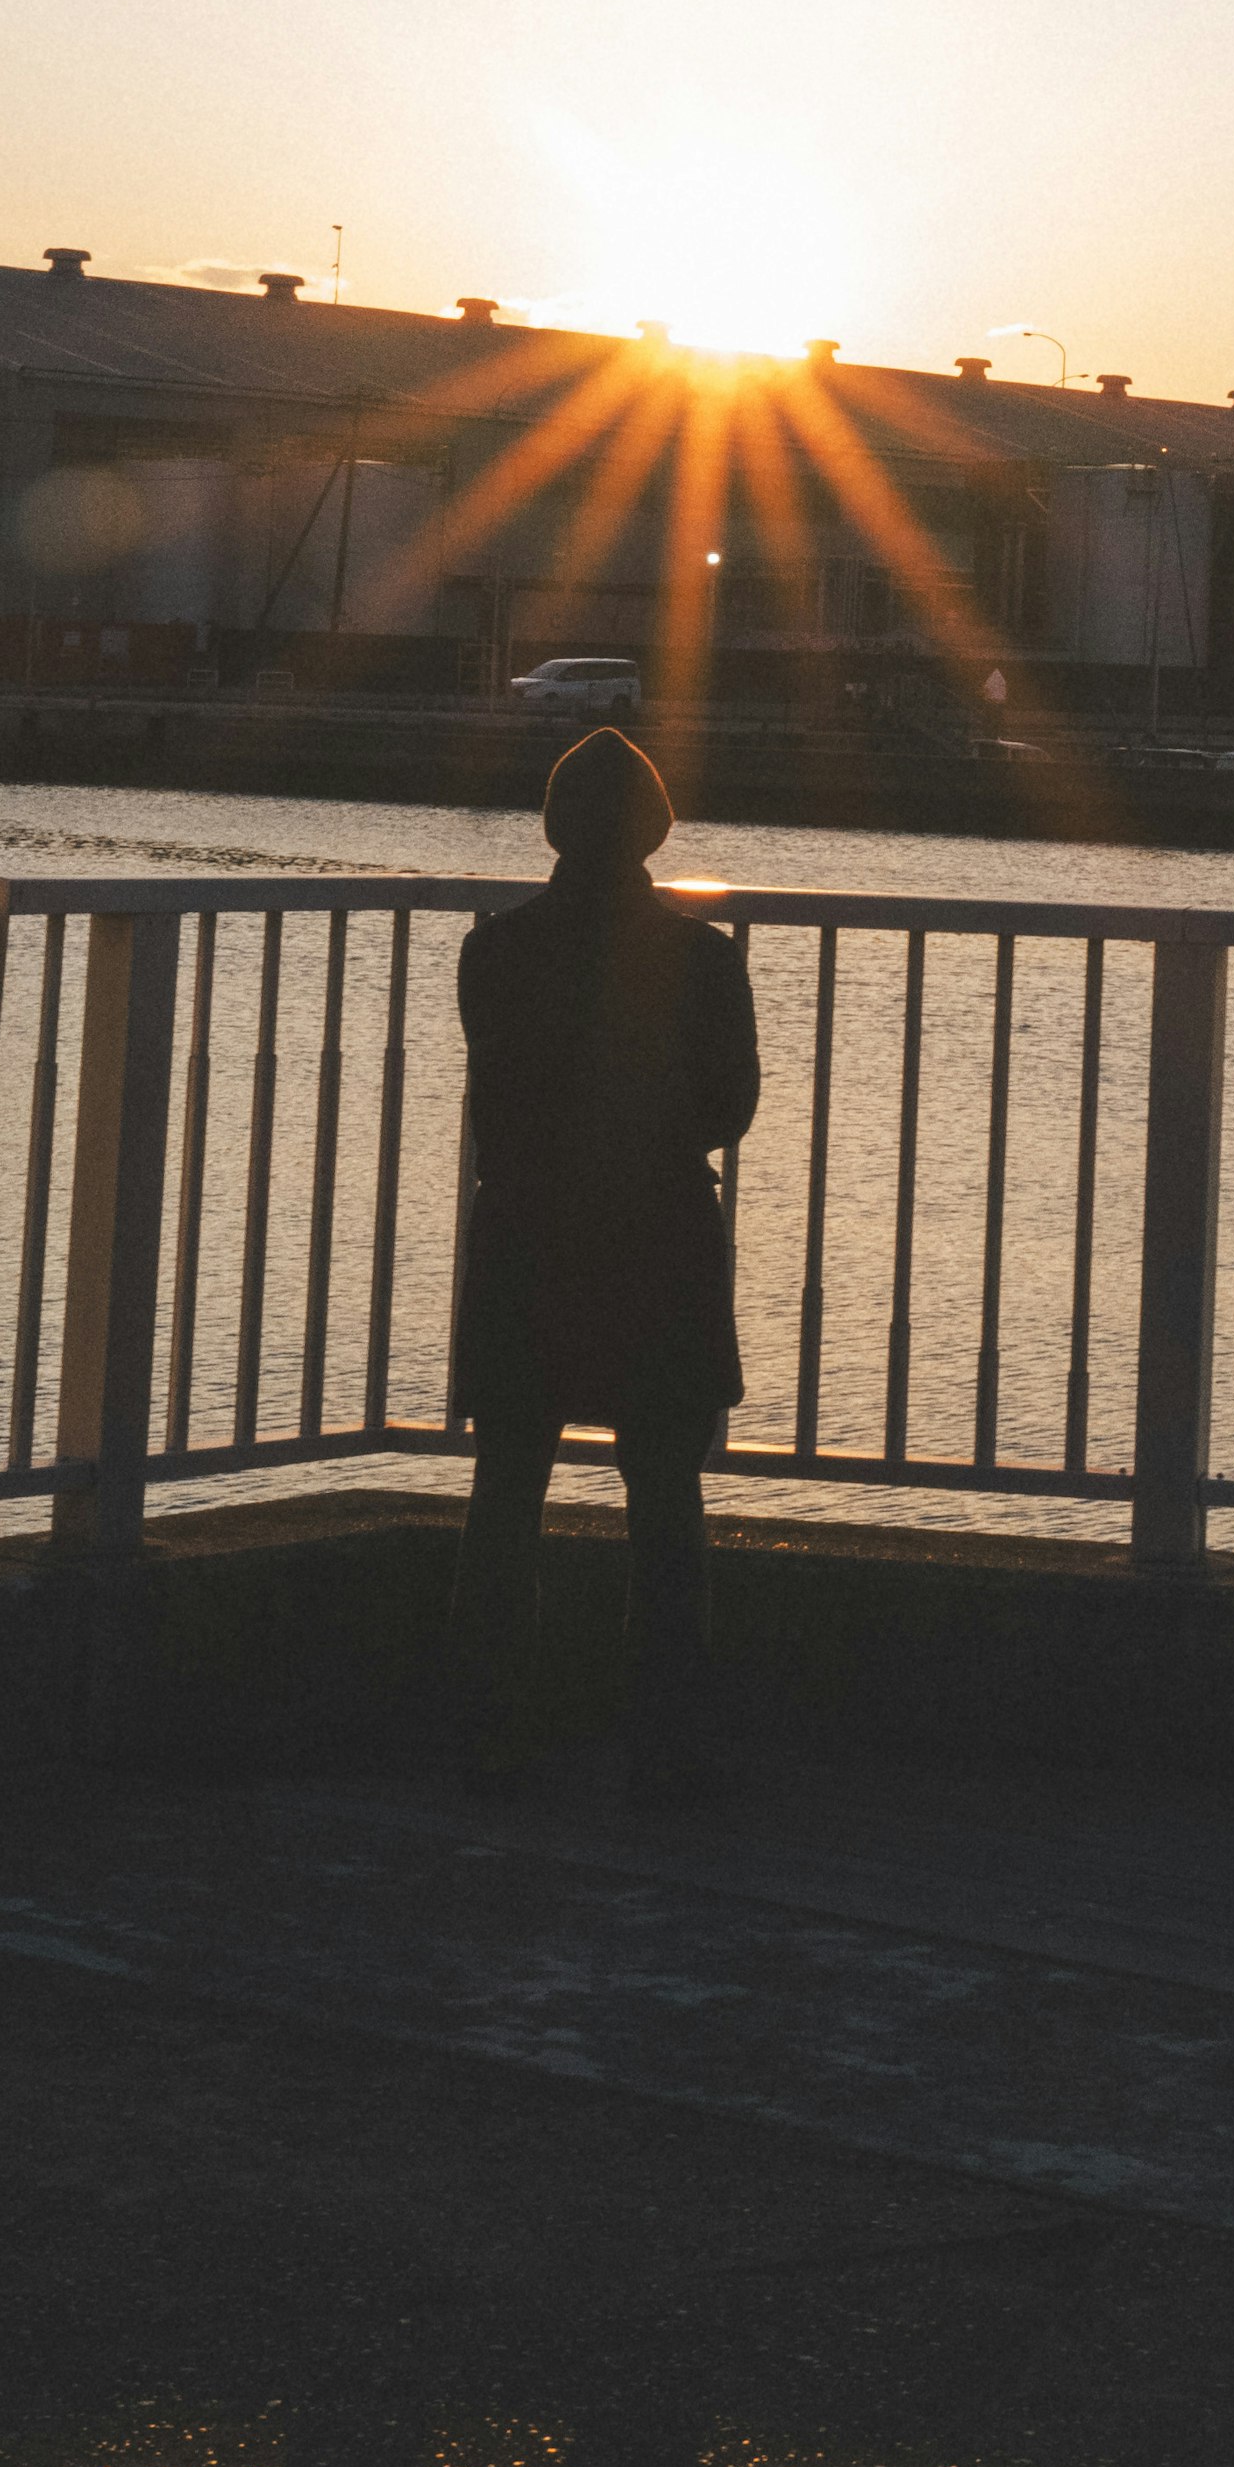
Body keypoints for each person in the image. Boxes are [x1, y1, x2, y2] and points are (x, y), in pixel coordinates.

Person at [447, 727, 760, 1796]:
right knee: (665, 1491)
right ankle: (668, 1739)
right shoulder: (704, 964)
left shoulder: (493, 951)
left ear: (554, 827)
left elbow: (497, 1107)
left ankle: (487, 1722)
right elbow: (731, 1111)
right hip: (657, 1238)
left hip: (528, 1234)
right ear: (655, 833)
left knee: (508, 1481)